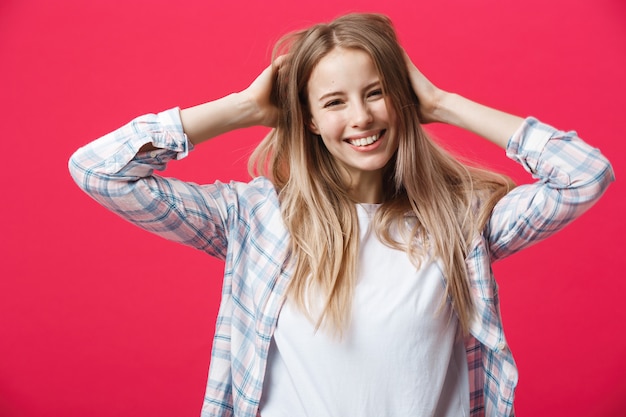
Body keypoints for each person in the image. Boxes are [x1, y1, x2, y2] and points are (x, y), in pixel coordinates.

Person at [69, 12, 613, 417]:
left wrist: (444, 103)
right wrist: (244, 107)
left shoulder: (459, 222)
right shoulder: (254, 219)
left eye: (377, 93)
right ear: (306, 119)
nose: (361, 117)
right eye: (334, 102)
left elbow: (585, 175)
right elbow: (99, 171)